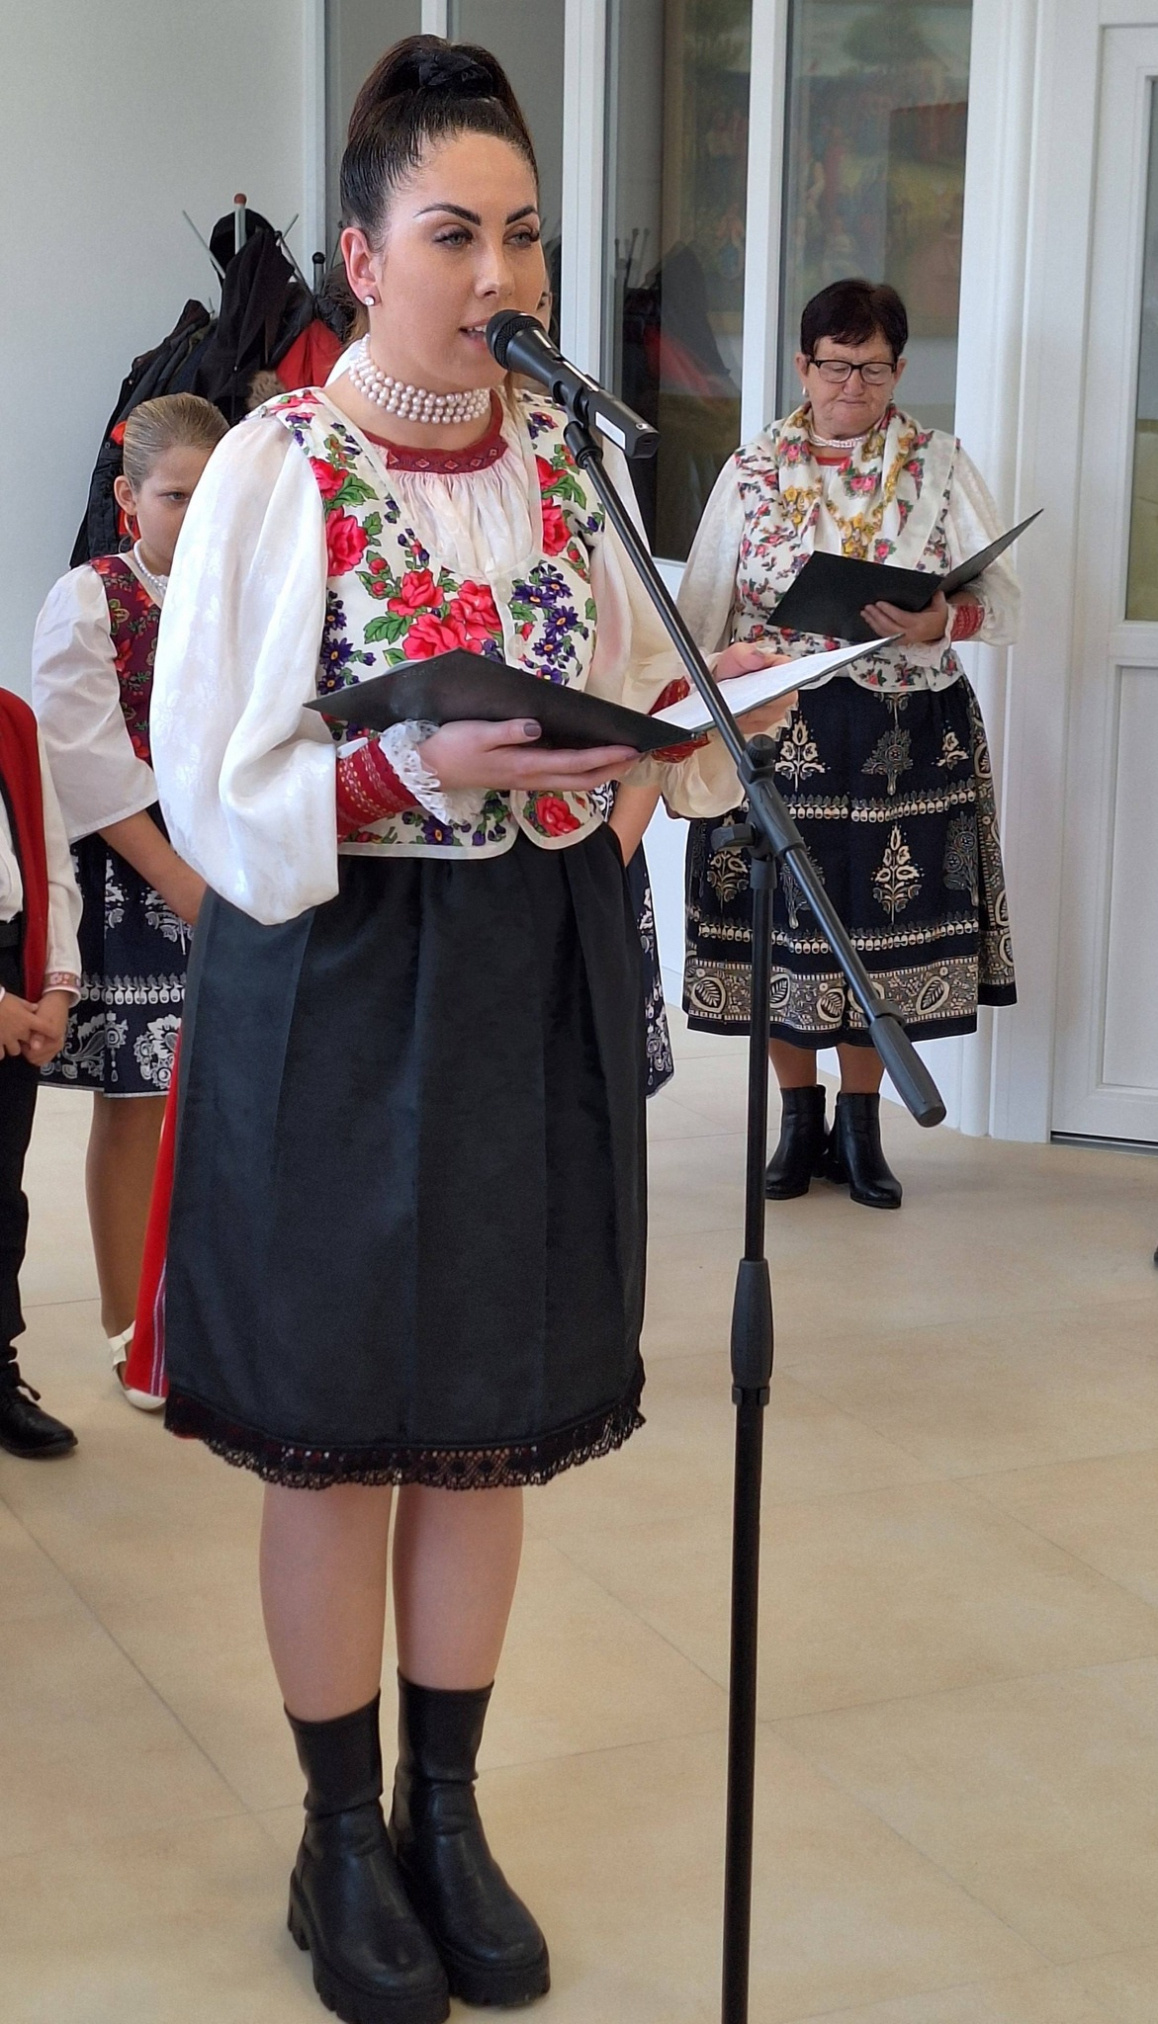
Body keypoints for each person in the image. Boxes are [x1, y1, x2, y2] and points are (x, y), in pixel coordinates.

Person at [149, 38, 788, 2024]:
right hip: (339, 985)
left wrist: (703, 713)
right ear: (361, 255)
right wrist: (398, 771)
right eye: (453, 233)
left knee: (483, 1423)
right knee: (342, 1437)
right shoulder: (277, 467)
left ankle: (447, 1807)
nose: (498, 271)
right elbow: (211, 779)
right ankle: (336, 1833)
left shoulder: (569, 460)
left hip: (531, 973)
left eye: (521, 233)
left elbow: (624, 710)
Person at [680, 277, 1018, 1209]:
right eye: (836, 366)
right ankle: (798, 1121)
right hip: (779, 731)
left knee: (881, 935)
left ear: (900, 370)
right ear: (803, 364)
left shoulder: (941, 466)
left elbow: (1008, 605)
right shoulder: (752, 470)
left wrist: (941, 620)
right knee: (781, 931)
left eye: (873, 369)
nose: (852, 386)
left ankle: (862, 1128)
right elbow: (699, 612)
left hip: (907, 735)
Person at [32, 394, 227, 1404]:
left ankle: (211, 1306)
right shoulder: (92, 597)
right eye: (174, 496)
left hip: (235, 858)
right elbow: (89, 767)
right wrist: (183, 885)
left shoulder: (251, 592)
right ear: (127, 497)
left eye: (212, 494)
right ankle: (129, 1324)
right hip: (135, 870)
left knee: (232, 1097)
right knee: (141, 1098)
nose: (194, 516)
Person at [0, 689, 82, 1459]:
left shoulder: (11, 719)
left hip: (14, 974)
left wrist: (55, 987)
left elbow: (51, 863)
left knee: (1, 1194)